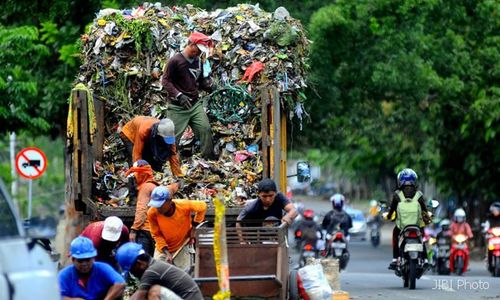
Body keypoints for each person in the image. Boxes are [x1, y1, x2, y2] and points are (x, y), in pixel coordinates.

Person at [161, 31, 216, 159]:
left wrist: (209, 86)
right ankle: (167, 165)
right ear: (191, 44)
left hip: (194, 104)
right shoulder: (175, 60)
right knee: (172, 139)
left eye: (201, 51)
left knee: (205, 129)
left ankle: (207, 160)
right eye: (197, 49)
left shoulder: (198, 61)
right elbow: (165, 81)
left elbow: (199, 80)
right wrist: (179, 95)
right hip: (177, 107)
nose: (198, 52)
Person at [147, 185, 207, 271]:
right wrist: (167, 253)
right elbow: (156, 234)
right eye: (156, 205)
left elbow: (203, 206)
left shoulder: (183, 205)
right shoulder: (152, 213)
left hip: (182, 245)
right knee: (157, 273)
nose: (158, 208)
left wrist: (194, 226)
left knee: (184, 276)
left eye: (160, 205)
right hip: (163, 249)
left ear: (169, 201)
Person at [116, 242, 203, 300]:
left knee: (154, 291)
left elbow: (138, 297)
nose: (133, 274)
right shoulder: (155, 266)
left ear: (139, 264)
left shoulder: (152, 271)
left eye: (132, 270)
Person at [385, 168, 432, 270]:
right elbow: (424, 210)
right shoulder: (419, 195)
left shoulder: (397, 195)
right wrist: (428, 218)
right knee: (422, 238)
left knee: (395, 234)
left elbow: (392, 210)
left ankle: (395, 258)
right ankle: (425, 259)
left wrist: (388, 217)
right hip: (417, 226)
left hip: (402, 227)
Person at [59, 236, 125, 300]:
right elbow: (57, 296)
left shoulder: (103, 268)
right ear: (73, 260)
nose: (84, 264)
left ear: (93, 258)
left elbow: (120, 283)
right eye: (80, 261)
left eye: (87, 260)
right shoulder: (64, 275)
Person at [125, 160, 160, 256]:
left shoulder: (145, 187)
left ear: (141, 174)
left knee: (143, 262)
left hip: (145, 230)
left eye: (136, 173)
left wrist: (134, 230)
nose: (135, 177)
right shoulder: (154, 185)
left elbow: (142, 210)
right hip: (155, 230)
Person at [448, 208, 473, 273]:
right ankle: (450, 266)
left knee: (467, 253)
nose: (460, 219)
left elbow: (469, 233)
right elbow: (450, 232)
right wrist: (450, 235)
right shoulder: (453, 225)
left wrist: (470, 235)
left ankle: (466, 265)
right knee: (451, 253)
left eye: (461, 217)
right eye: (458, 217)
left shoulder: (466, 225)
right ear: (455, 217)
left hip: (464, 243)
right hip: (455, 243)